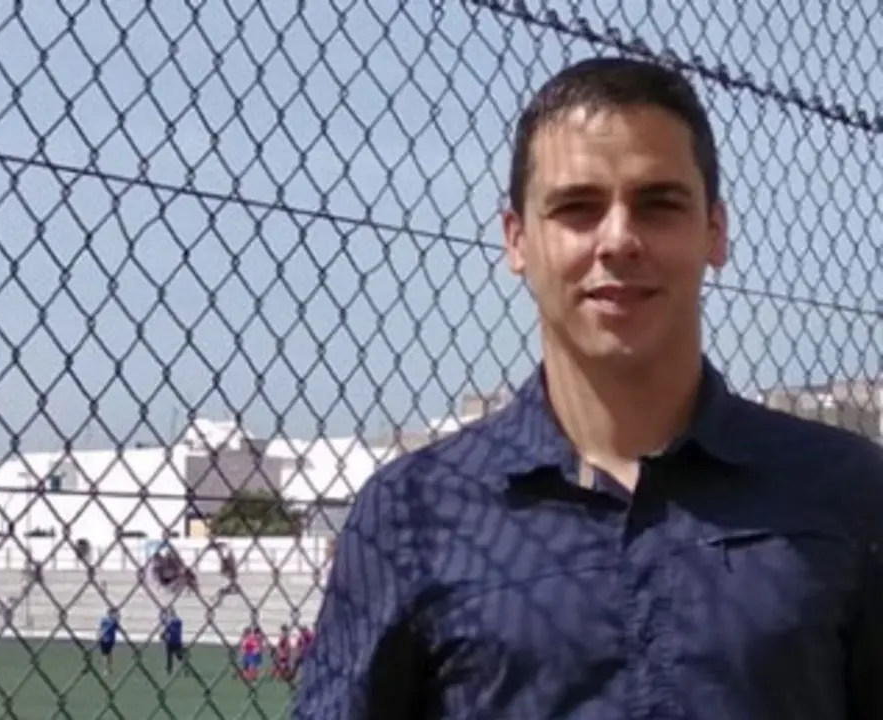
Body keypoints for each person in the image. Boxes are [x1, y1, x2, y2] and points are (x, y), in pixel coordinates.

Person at [293, 55, 883, 719]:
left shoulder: (849, 492)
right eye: (577, 208)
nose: (619, 240)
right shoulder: (411, 513)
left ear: (714, 234)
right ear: (517, 240)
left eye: (659, 205)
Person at [96, 607, 121, 677]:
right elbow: (100, 628)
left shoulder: (114, 621)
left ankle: (109, 668)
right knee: (105, 654)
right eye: (114, 613)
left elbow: (117, 628)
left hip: (111, 639)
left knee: (109, 654)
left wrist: (117, 620)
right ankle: (105, 669)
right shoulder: (105, 620)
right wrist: (99, 636)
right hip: (104, 639)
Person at [161, 607, 185, 675]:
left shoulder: (174, 622)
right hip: (174, 641)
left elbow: (167, 627)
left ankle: (170, 669)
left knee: (174, 656)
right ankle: (169, 669)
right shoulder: (176, 621)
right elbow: (167, 627)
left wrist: (163, 635)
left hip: (174, 641)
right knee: (172, 657)